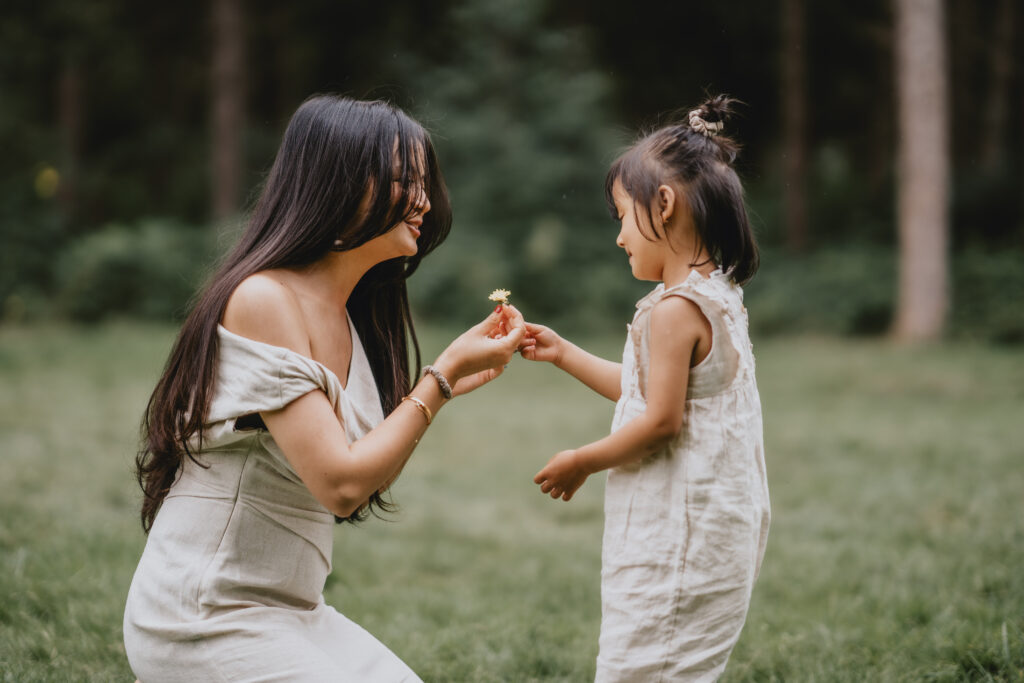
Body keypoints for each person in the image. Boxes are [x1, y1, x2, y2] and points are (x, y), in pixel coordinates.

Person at [123, 95, 524, 682]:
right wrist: (437, 380)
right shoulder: (264, 299)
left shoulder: (349, 321)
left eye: (425, 183)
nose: (425, 201)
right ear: (341, 181)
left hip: (296, 613)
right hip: (204, 616)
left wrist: (448, 381)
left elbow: (359, 483)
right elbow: (340, 485)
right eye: (404, 180)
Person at [519, 95, 770, 681]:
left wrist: (582, 460)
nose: (619, 237)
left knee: (641, 668)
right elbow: (651, 395)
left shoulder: (672, 312)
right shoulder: (717, 294)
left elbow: (660, 423)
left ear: (663, 204)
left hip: (677, 542)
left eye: (622, 217)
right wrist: (562, 353)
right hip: (717, 531)